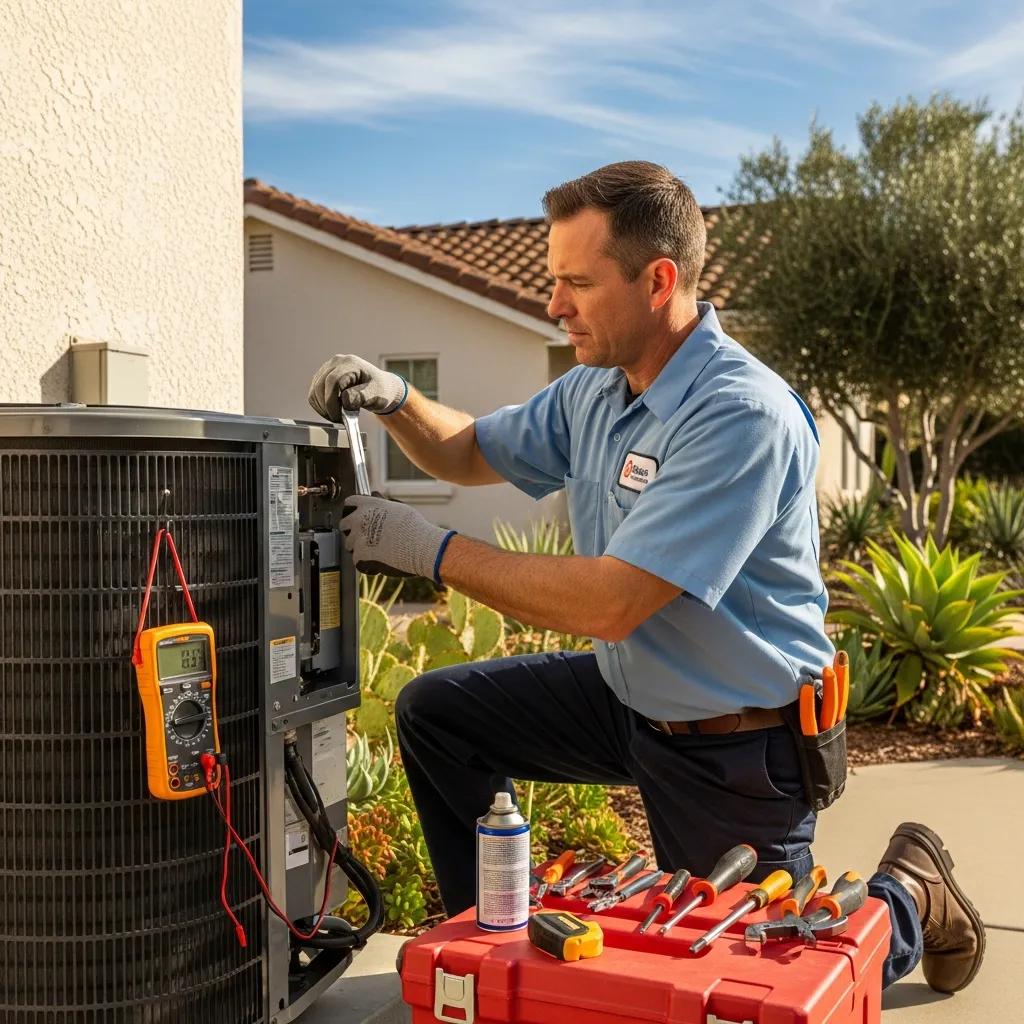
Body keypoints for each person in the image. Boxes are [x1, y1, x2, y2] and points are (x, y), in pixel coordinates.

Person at [307, 161, 984, 993]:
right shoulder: (596, 391)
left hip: (738, 740)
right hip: (631, 702)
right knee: (439, 717)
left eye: (576, 284)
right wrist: (398, 396)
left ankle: (911, 893)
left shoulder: (739, 415)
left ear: (658, 280)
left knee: (762, 989)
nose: (554, 305)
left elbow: (613, 600)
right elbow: (470, 449)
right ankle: (484, 961)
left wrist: (429, 549)